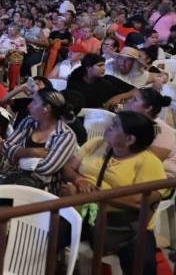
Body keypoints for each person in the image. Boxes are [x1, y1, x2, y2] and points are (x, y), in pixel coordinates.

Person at [61, 111, 166, 275]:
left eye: (115, 125)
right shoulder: (96, 143)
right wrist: (79, 180)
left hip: (123, 226)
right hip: (83, 214)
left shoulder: (149, 162)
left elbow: (140, 201)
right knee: (46, 233)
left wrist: (93, 195)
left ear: (130, 139)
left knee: (142, 263)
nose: (108, 127)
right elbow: (68, 167)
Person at [0, 89, 78, 194]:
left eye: (34, 102)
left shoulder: (65, 135)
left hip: (42, 190)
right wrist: (30, 152)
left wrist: (16, 156)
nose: (29, 106)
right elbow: (5, 146)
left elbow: (46, 168)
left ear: (46, 108)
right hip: (11, 178)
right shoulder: (29, 122)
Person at [123, 88, 176, 177]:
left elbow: (151, 163)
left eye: (135, 100)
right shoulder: (136, 124)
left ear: (148, 108)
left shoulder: (160, 129)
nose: (128, 101)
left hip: (163, 179)